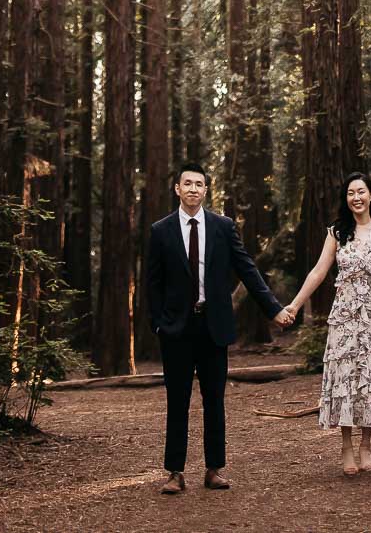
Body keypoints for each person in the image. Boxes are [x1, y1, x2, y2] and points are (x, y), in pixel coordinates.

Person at [146, 161, 290, 495]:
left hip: (214, 327)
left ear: (206, 190)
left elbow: (247, 269)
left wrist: (274, 309)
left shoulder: (223, 227)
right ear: (177, 189)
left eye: (199, 184)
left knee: (214, 399)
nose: (193, 189)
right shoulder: (161, 230)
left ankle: (214, 469)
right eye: (187, 183)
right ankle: (175, 472)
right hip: (177, 330)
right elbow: (153, 283)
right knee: (178, 401)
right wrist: (158, 325)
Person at [282, 171, 371, 476]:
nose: (356, 197)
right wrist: (295, 305)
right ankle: (347, 447)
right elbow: (318, 272)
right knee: (346, 380)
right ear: (346, 198)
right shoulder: (337, 233)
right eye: (351, 193)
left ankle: (366, 446)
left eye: (361, 191)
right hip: (345, 319)